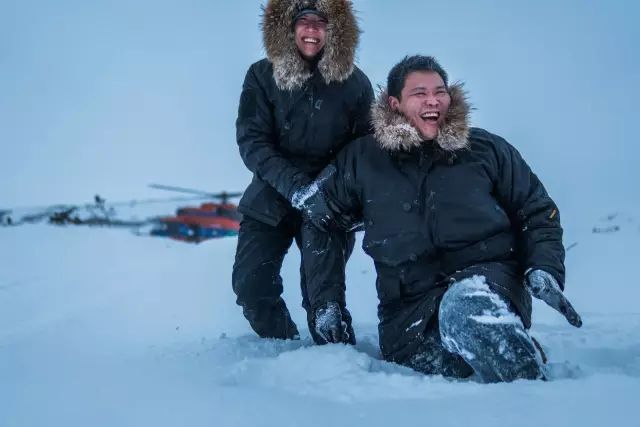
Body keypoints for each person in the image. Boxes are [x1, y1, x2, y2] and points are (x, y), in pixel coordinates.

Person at [299, 55, 582, 382]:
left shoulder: (487, 149)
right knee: (437, 365)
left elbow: (536, 210)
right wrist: (325, 305)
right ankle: (507, 348)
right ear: (395, 103)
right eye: (419, 93)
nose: (433, 100)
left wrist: (543, 267)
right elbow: (319, 218)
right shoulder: (362, 159)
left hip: (488, 283)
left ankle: (533, 391)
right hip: (407, 313)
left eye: (440, 91)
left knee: (465, 307)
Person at [233, 0, 374, 344]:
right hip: (271, 196)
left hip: (330, 203)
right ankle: (284, 348)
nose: (311, 30)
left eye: (320, 22)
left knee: (323, 300)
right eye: (303, 21)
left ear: (333, 30)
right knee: (251, 286)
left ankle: (338, 363)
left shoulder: (355, 84)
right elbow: (253, 141)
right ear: (289, 27)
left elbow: (364, 150)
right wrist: (296, 188)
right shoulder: (261, 76)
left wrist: (347, 199)